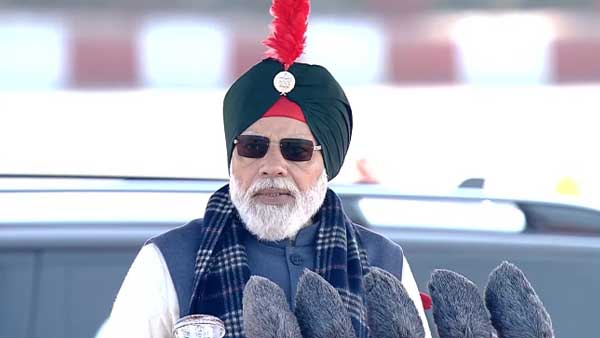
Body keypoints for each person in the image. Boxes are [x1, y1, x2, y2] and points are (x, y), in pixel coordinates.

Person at [102, 1, 431, 337]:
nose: (272, 167)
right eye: (253, 147)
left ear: (327, 163)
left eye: (296, 151)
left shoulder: (383, 263)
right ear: (233, 157)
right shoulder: (170, 261)